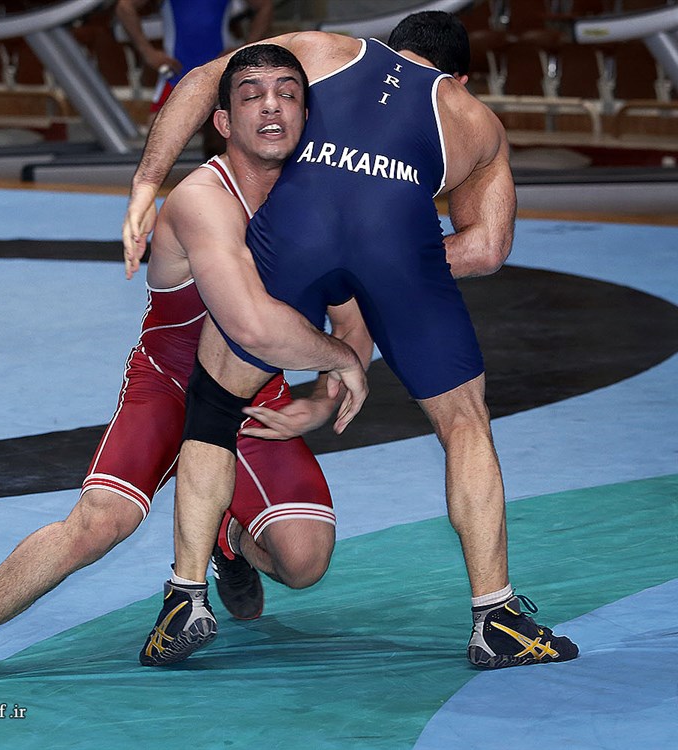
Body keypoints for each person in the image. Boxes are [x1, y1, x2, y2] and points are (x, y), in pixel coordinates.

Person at [0, 44, 369, 697]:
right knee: (99, 522)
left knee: (306, 562)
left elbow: (351, 316)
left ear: (306, 115)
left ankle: (227, 538)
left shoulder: (320, 203)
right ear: (224, 122)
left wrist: (323, 396)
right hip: (170, 388)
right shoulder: (201, 199)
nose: (271, 107)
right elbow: (255, 321)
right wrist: (341, 360)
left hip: (252, 394)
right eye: (252, 95)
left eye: (287, 94)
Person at [125, 11, 579, 670]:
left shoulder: (324, 50)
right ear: (460, 77)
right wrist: (395, 263)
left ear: (392, 47)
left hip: (297, 231)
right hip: (400, 250)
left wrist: (147, 185)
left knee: (215, 408)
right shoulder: (475, 119)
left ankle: (185, 598)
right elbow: (487, 248)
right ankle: (496, 617)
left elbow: (199, 81)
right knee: (465, 425)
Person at [115, 0, 272, 156]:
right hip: (177, 73)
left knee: (221, 145)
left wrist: (245, 50)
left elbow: (265, 6)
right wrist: (147, 52)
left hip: (218, 71)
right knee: (156, 145)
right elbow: (124, 7)